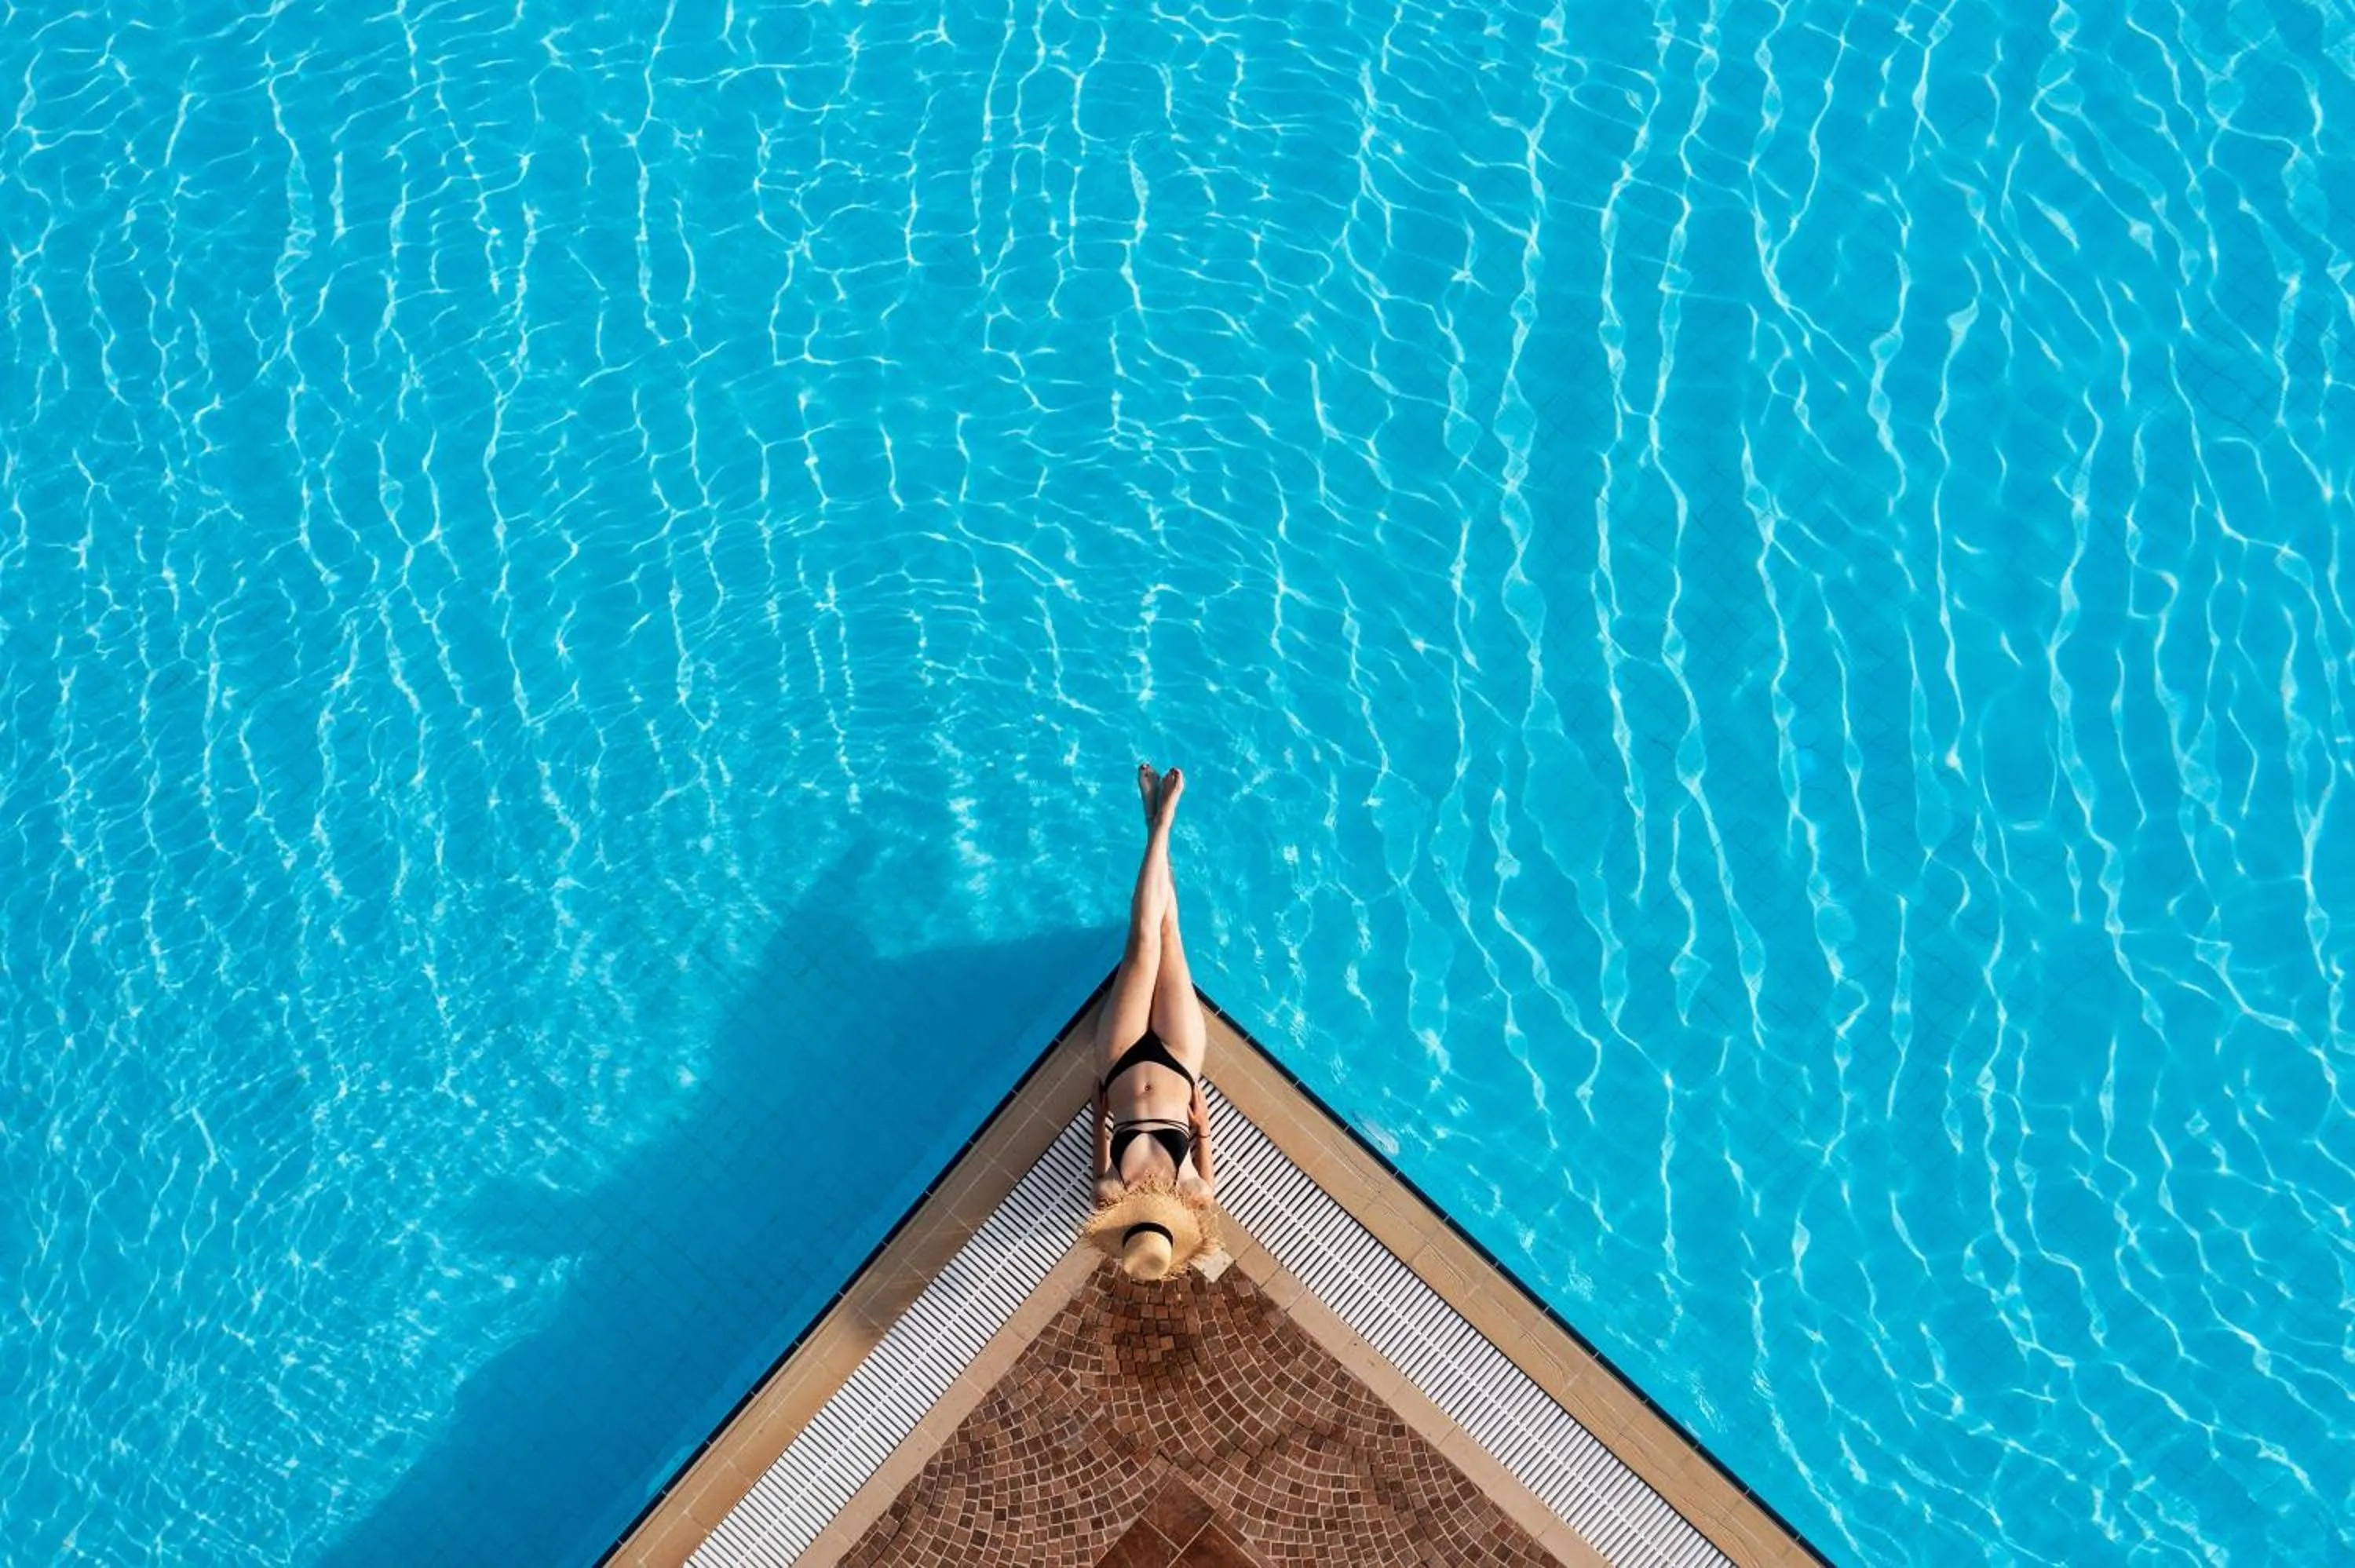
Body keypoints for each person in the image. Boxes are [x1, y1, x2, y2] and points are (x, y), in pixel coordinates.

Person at [1082, 764, 1223, 1281]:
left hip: (1119, 1060)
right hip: (1179, 1061)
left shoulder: (1108, 1193)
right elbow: (1204, 1140)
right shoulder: (1195, 1194)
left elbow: (1099, 1125)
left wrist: (1101, 1112)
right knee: (1169, 935)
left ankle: (1159, 824)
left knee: (1142, 942)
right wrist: (1200, 1120)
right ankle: (1157, 824)